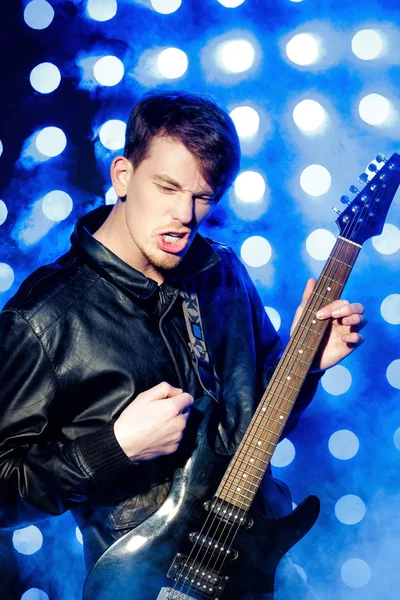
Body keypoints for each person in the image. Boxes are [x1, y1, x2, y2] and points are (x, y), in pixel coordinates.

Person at [0, 91, 366, 597]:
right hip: (145, 585)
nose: (184, 215)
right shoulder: (44, 319)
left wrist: (304, 367)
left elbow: (250, 433)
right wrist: (115, 448)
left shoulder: (223, 274)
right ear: (122, 176)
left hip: (252, 571)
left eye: (202, 197)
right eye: (167, 187)